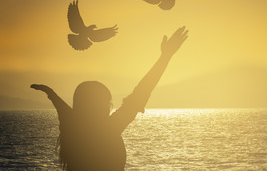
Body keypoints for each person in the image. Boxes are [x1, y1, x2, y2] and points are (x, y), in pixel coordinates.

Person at [30, 26, 188, 171]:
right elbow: (141, 91)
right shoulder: (109, 129)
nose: (110, 106)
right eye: (107, 101)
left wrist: (51, 94)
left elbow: (63, 110)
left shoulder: (72, 131)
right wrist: (165, 57)